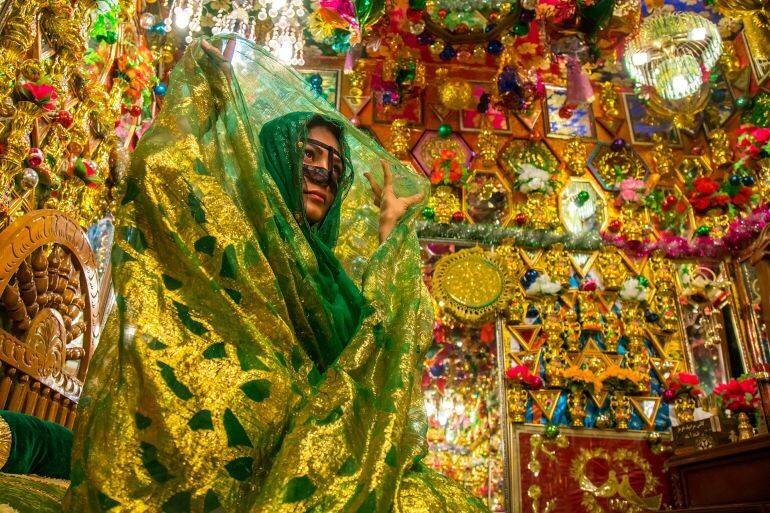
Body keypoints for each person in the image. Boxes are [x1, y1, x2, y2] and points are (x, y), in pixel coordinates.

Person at [62, 36, 488, 512]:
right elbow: (159, 182)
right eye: (308, 155)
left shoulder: (335, 279)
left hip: (327, 455)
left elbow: (380, 360)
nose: (323, 173)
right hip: (239, 443)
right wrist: (205, 99)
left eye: (335, 165)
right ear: (275, 159)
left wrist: (390, 235)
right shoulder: (232, 232)